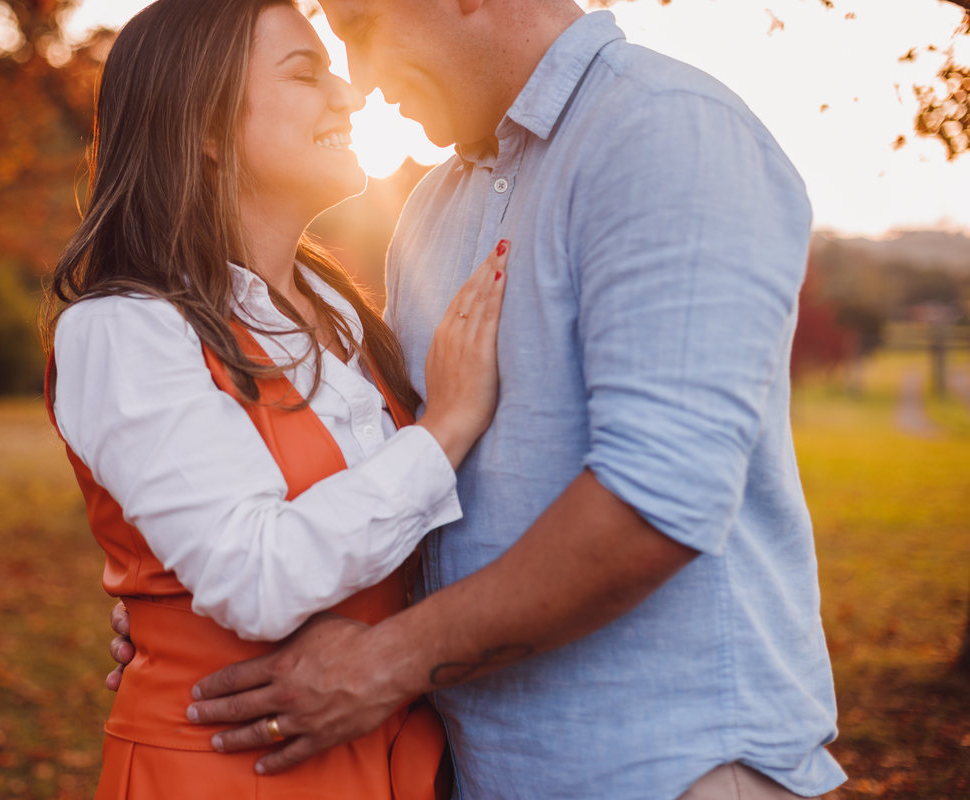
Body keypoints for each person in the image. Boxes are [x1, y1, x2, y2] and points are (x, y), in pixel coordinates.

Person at [108, 1, 850, 798]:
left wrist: (382, 664)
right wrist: (191, 615)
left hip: (665, 767)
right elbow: (402, 474)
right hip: (482, 769)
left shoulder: (664, 132)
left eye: (358, 29)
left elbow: (656, 502)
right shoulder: (433, 210)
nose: (358, 83)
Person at [45, 0, 511, 797]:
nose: (349, 95)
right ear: (206, 125)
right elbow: (256, 576)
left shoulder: (348, 317)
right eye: (306, 73)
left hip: (395, 761)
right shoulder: (124, 330)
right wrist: (444, 430)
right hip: (235, 771)